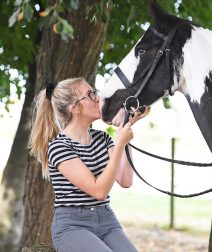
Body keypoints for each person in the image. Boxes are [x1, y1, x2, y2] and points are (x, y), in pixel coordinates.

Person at [29, 77, 146, 252]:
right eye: (91, 95)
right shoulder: (59, 147)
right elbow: (98, 191)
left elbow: (125, 180)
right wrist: (120, 143)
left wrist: (125, 129)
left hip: (106, 220)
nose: (99, 98)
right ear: (74, 108)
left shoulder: (102, 139)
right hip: (72, 226)